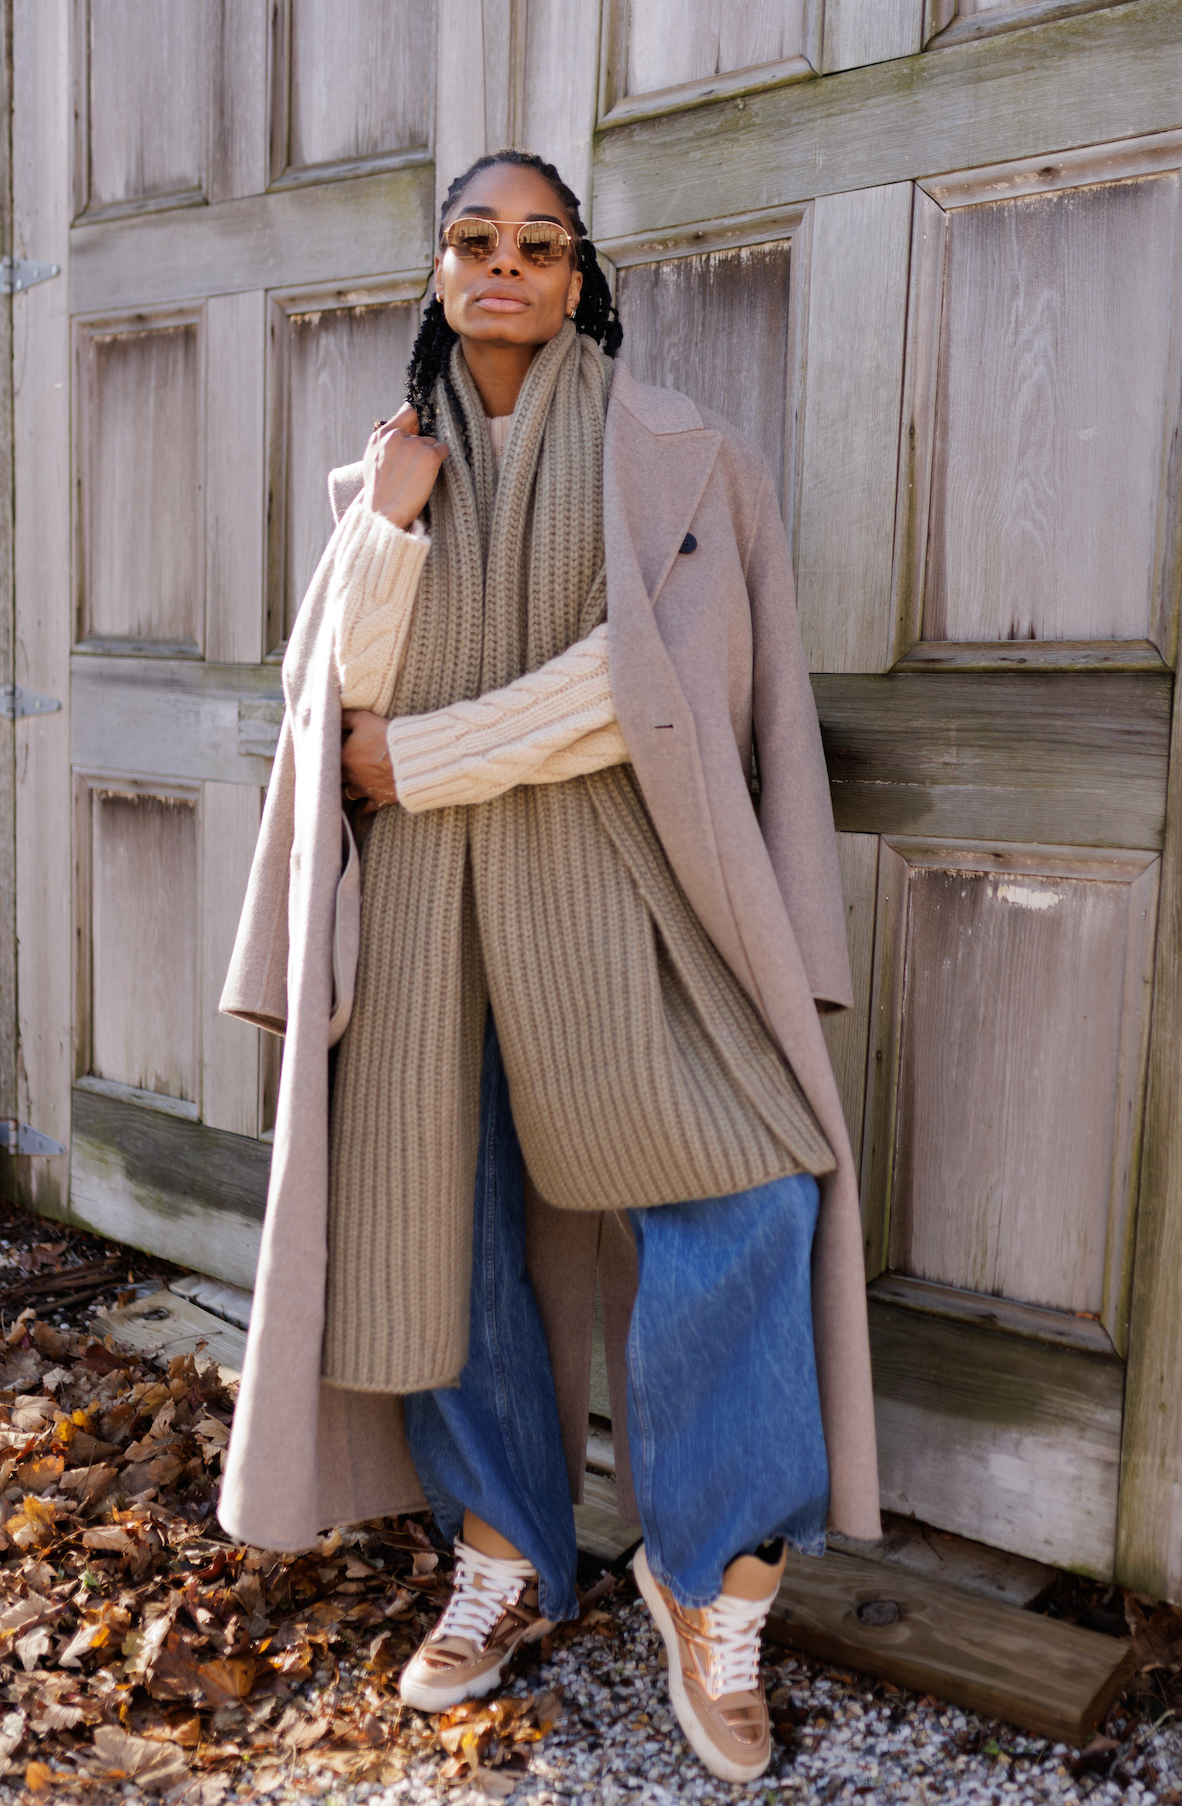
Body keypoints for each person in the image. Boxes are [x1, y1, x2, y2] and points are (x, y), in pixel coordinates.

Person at [219, 149, 879, 1787]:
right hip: (426, 912)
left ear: (581, 275)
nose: (503, 264)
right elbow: (334, 707)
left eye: (537, 242)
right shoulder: (378, 475)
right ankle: (504, 1548)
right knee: (439, 1238)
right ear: (438, 270)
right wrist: (387, 527)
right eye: (473, 239)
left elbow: (637, 689)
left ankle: (708, 1572)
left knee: (750, 1190)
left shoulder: (680, 459)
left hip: (618, 888)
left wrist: (422, 759)